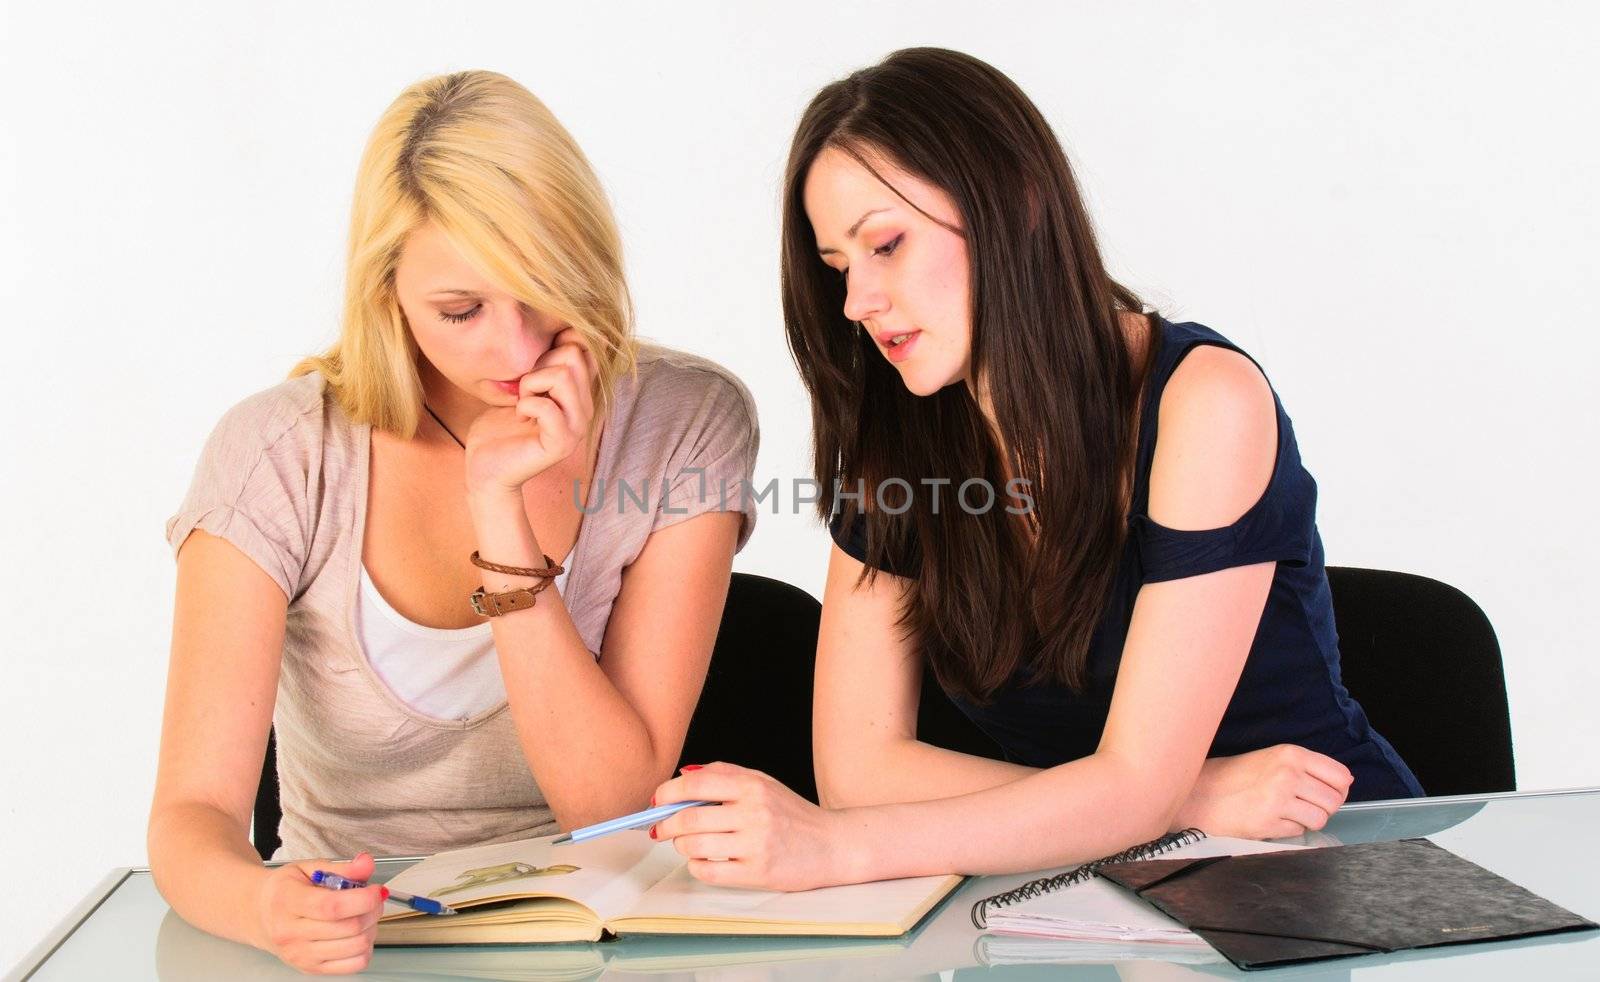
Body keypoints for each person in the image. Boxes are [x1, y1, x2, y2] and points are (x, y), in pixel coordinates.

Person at [650, 47, 1421, 891]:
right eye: (839, 269)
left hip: (1326, 860)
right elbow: (858, 771)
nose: (856, 302)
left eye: (886, 246)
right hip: (1083, 883)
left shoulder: (1204, 401)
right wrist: (1191, 796)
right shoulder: (899, 442)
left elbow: (1121, 791)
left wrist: (840, 848)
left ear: (1012, 203)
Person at [148, 71, 758, 973]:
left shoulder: (684, 424)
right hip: (355, 938)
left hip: (598, 933)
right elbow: (190, 814)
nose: (512, 350)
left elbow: (611, 803)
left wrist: (499, 512)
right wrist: (259, 903)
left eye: (542, 289)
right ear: (386, 290)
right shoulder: (280, 450)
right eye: (461, 311)